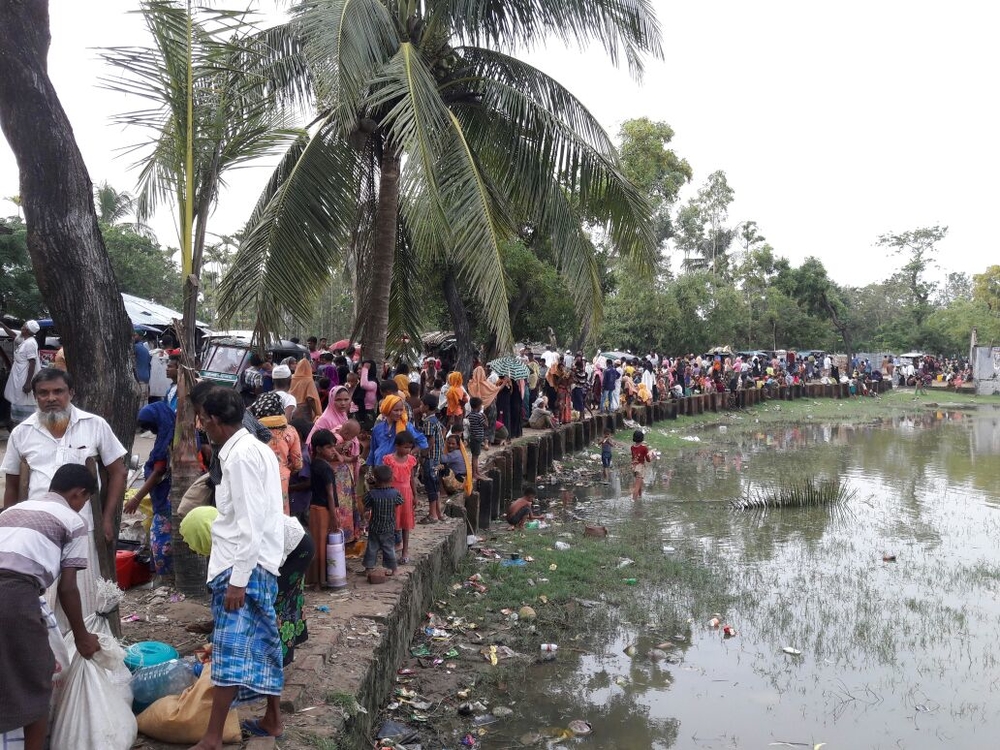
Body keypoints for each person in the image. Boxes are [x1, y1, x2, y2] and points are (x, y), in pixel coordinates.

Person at [191, 388, 285, 748]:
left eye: (202, 419)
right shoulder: (256, 449)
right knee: (265, 641)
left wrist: (238, 581)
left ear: (212, 420)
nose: (202, 426)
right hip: (257, 561)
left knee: (229, 649)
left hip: (241, 565)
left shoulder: (241, 457)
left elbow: (249, 522)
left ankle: (213, 736)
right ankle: (272, 718)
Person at [1, 368, 127, 630]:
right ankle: (52, 662)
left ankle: (85, 656)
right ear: (35, 397)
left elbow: (118, 472)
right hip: (36, 534)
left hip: (83, 527)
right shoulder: (22, 432)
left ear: (71, 393)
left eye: (58, 391)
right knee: (43, 603)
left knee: (86, 597)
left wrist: (106, 519)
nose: (51, 398)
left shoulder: (94, 425)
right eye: (43, 393)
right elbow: (12, 485)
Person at [0, 464, 102, 750]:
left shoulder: (12, 511)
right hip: (14, 596)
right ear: (78, 494)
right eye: (84, 501)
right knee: (38, 675)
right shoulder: (72, 521)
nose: (82, 507)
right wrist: (82, 637)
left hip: (15, 593)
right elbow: (68, 587)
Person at [179, 504, 314, 669]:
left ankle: (274, 662)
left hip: (297, 549)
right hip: (290, 541)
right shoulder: (225, 532)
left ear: (205, 533)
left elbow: (241, 595)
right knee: (273, 600)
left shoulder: (236, 540)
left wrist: (215, 639)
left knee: (273, 603)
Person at [125, 400, 176, 577]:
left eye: (150, 426)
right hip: (162, 497)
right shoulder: (165, 434)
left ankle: (165, 577)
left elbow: (158, 471)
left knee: (160, 537)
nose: (151, 430)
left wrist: (136, 498)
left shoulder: (167, 441)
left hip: (167, 497)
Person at [249, 392, 303, 515]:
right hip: (281, 478)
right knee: (280, 513)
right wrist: (284, 468)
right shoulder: (290, 431)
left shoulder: (251, 430)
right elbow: (298, 464)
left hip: (257, 475)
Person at [308, 429, 342, 588]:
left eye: (334, 447)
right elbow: (330, 493)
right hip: (323, 510)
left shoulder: (314, 463)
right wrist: (334, 515)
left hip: (314, 508)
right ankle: (321, 580)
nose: (333, 451)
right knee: (323, 544)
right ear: (319, 449)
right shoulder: (325, 468)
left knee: (317, 542)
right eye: (329, 447)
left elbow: (310, 485)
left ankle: (315, 579)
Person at [366, 393, 428, 471]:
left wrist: (409, 452)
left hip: (398, 469)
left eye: (401, 410)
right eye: (396, 410)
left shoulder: (406, 426)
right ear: (388, 410)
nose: (399, 413)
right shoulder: (377, 429)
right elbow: (373, 449)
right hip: (380, 468)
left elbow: (422, 441)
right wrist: (370, 469)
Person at [384, 431, 419, 563]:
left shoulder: (411, 460)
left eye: (409, 447)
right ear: (397, 446)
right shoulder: (389, 460)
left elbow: (412, 479)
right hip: (391, 494)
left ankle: (405, 551)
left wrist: (415, 495)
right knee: (391, 522)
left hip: (406, 494)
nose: (407, 450)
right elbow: (385, 478)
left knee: (405, 523)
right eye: (405, 447)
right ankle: (390, 549)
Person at [361, 464, 402, 577]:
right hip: (389, 526)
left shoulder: (371, 494)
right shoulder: (395, 493)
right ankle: (394, 569)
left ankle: (368, 568)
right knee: (389, 548)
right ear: (391, 478)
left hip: (374, 526)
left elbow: (366, 504)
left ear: (375, 479)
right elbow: (400, 502)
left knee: (372, 547)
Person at [1, 318, 39, 426]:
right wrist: (2, 324)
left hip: (24, 378)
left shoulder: (30, 343)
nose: (21, 327)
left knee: (22, 401)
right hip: (18, 376)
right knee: (16, 399)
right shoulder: (25, 340)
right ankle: (16, 422)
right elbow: (13, 335)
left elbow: (32, 363)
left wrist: (28, 383)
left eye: (24, 326)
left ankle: (22, 424)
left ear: (26, 330)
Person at [417, 395, 446, 523]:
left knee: (430, 486)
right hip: (438, 457)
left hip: (431, 457)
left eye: (421, 404)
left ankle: (432, 514)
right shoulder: (435, 420)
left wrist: (423, 455)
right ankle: (438, 513)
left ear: (427, 407)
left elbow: (430, 440)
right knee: (435, 485)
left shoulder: (428, 422)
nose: (420, 407)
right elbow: (443, 430)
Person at [468, 396, 487, 479]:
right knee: (475, 456)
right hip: (477, 438)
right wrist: (485, 417)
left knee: (475, 455)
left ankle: (476, 472)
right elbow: (486, 425)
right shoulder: (479, 416)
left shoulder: (470, 415)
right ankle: (475, 473)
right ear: (478, 406)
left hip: (473, 437)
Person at [630, 429, 651, 500]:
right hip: (640, 467)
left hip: (634, 466)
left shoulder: (632, 447)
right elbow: (648, 459)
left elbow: (633, 457)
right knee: (637, 486)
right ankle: (634, 502)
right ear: (642, 438)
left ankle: (640, 497)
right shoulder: (644, 448)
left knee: (639, 483)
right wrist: (652, 456)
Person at [134, 329, 152, 405]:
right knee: (144, 403)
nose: (133, 337)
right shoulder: (145, 350)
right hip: (146, 378)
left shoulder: (135, 348)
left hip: (139, 378)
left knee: (138, 404)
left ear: (140, 337)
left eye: (135, 335)